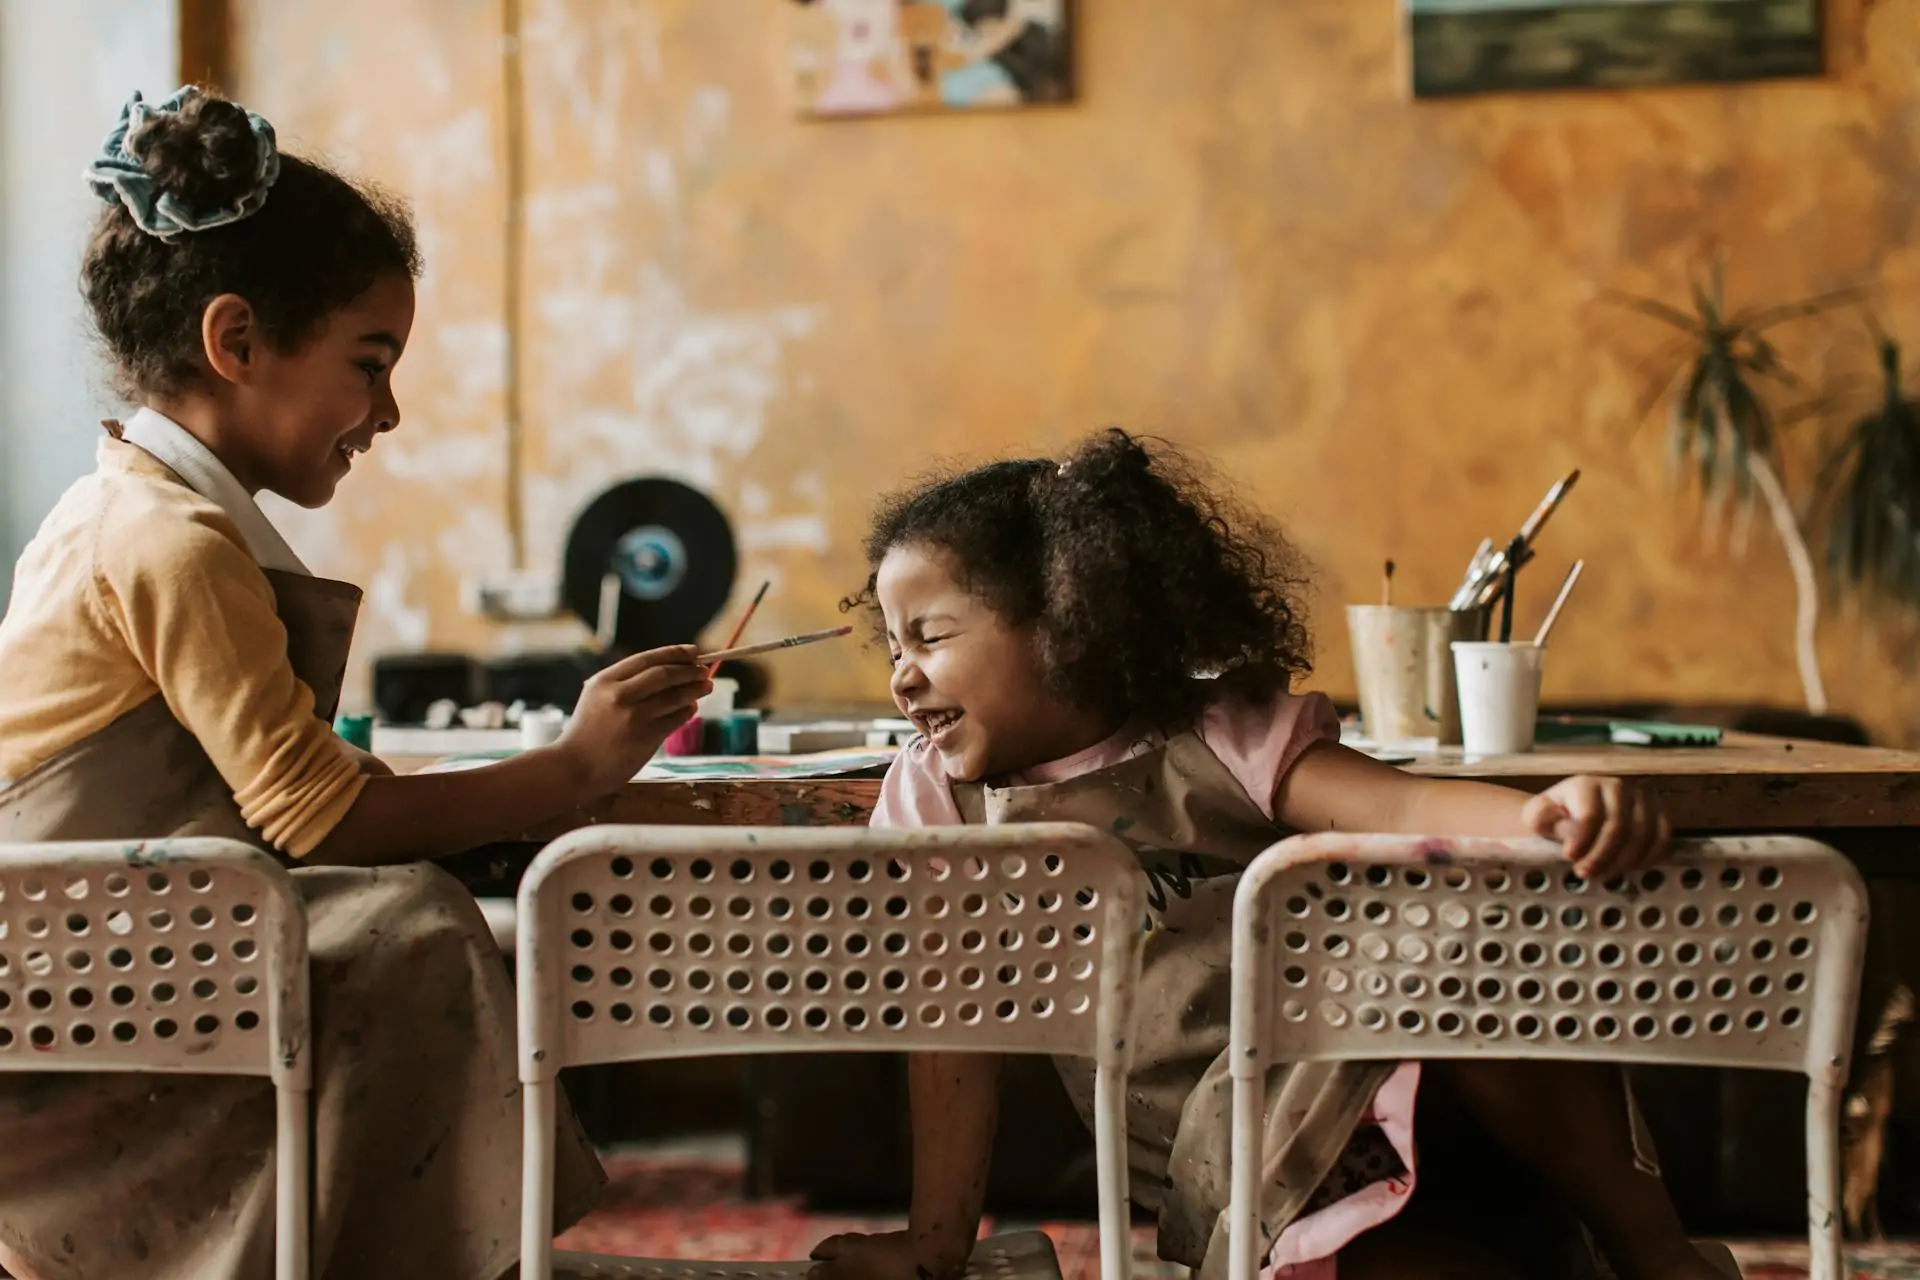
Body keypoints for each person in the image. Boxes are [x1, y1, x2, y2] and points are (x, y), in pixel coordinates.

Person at [0, 86, 709, 1280]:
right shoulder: (168, 541)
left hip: (121, 937)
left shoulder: (128, 506)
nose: (386, 411)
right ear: (235, 344)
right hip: (75, 991)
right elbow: (319, 818)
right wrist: (576, 765)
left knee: (403, 919)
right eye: (368, 363)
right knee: (413, 927)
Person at [807, 429, 1725, 1280]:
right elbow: (954, 1035)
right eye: (892, 644)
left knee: (1476, 944)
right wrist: (933, 1248)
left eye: (929, 636)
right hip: (1244, 1170)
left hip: (1384, 1075)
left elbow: (1403, 805)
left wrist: (1548, 819)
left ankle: (1659, 1259)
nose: (901, 674)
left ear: (1065, 620)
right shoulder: (939, 800)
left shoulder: (1218, 735)